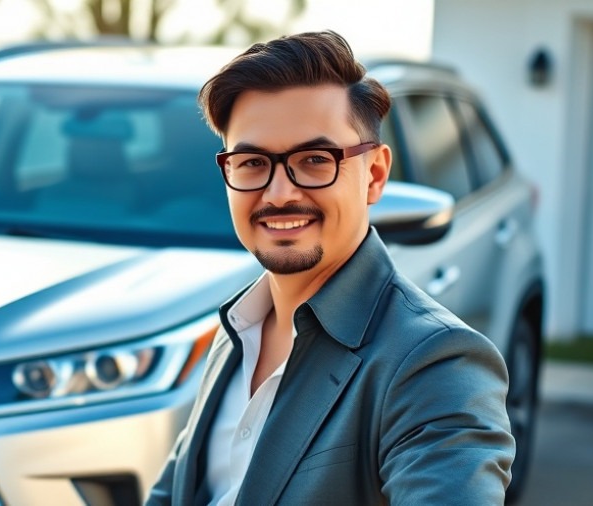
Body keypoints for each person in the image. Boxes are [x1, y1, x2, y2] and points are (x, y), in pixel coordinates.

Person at [146, 31, 515, 505]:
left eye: (315, 160)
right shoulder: (237, 329)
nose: (279, 193)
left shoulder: (436, 363)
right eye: (253, 162)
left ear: (375, 175)